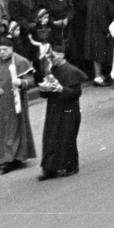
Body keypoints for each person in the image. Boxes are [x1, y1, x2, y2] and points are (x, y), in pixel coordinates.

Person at [0, 44, 36, 171]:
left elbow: (31, 81)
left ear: (12, 49)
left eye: (5, 49)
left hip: (14, 102)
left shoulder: (20, 61)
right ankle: (8, 156)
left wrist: (22, 82)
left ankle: (9, 159)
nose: (2, 52)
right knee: (2, 129)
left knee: (13, 129)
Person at [36, 51, 87, 185]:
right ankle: (49, 168)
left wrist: (61, 89)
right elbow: (45, 92)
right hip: (53, 109)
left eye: (53, 56)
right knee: (50, 137)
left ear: (62, 55)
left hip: (68, 109)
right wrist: (44, 89)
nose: (51, 59)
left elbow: (76, 93)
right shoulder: (51, 70)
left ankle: (71, 166)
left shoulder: (71, 71)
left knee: (66, 137)